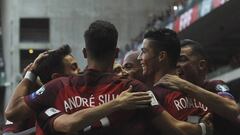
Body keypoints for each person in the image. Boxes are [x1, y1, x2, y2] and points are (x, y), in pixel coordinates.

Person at [12, 20, 211, 135]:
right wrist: (203, 128)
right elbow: (175, 129)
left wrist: (31, 73)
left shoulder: (56, 88)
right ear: (116, 52)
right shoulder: (134, 90)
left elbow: (12, 112)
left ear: (84, 52)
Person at [157, 39, 240, 135]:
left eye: (182, 59)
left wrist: (185, 86)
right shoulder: (166, 96)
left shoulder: (215, 85)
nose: (176, 65)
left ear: (201, 65)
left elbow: (233, 110)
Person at [3, 45, 81, 135]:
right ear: (57, 78)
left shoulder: (82, 97)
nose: (80, 71)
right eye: (74, 68)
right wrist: (31, 74)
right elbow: (8, 130)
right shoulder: (34, 105)